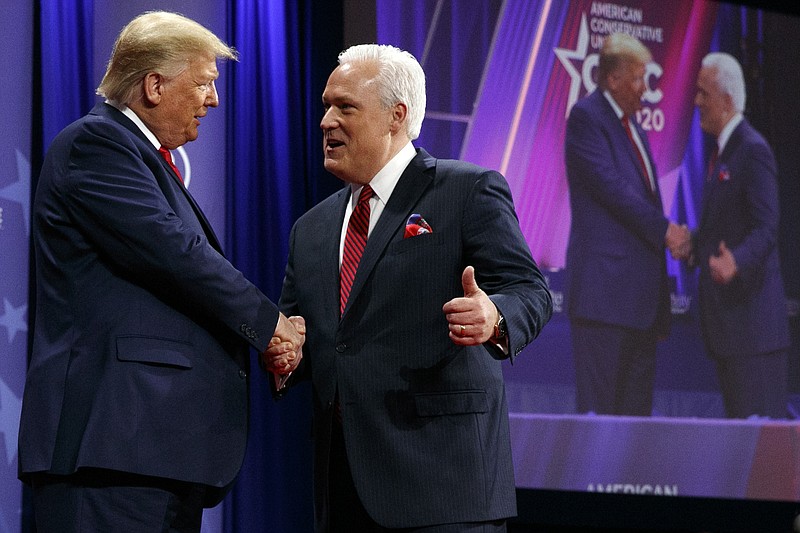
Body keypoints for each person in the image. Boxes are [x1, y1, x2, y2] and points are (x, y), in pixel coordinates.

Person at [18, 11, 303, 532]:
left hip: (151, 454)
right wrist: (270, 326)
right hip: (110, 454)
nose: (213, 101)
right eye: (203, 84)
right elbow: (177, 256)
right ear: (153, 85)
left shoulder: (140, 157)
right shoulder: (97, 146)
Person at [267, 43, 553, 532]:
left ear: (395, 116)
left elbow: (530, 289)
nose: (326, 122)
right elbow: (301, 336)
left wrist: (495, 316)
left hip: (445, 490)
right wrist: (286, 354)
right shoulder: (310, 229)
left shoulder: (468, 190)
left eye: (345, 107)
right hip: (343, 492)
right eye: (326, 106)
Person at [563, 33, 690, 416]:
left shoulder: (634, 128)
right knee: (600, 428)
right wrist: (666, 230)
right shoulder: (587, 117)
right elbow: (613, 190)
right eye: (637, 78)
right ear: (612, 78)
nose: (645, 89)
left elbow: (642, 196)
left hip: (640, 307)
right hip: (604, 302)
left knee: (636, 432)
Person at [689, 52, 790, 419]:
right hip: (733, 333)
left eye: (703, 94)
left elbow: (767, 227)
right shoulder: (725, 151)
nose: (696, 102)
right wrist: (694, 246)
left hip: (755, 333)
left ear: (727, 100)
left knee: (763, 457)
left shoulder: (752, 150)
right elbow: (725, 227)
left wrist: (738, 262)